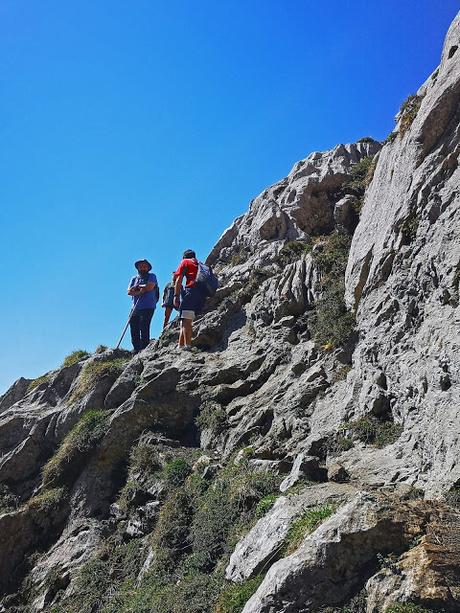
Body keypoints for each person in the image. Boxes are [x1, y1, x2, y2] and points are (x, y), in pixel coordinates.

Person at [173, 249, 206, 349]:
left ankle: (187, 345)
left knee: (186, 320)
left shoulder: (185, 262)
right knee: (186, 319)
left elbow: (179, 280)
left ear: (184, 257)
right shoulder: (200, 264)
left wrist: (176, 296)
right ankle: (181, 345)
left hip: (191, 292)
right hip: (201, 295)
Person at [127, 259, 158, 353]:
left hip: (148, 305)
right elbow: (129, 292)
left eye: (144, 266)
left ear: (148, 268)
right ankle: (136, 348)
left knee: (144, 325)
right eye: (141, 266)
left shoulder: (152, 276)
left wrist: (137, 288)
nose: (142, 268)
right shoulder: (134, 278)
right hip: (135, 307)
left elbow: (150, 287)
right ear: (138, 268)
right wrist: (140, 291)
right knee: (133, 326)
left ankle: (144, 347)